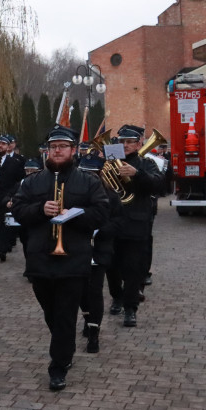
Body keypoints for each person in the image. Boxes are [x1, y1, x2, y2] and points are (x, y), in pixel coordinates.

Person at [11, 126, 109, 391]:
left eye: (63, 146)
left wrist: (74, 215)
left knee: (65, 314)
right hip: (40, 258)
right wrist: (40, 209)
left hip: (73, 259)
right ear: (47, 150)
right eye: (53, 146)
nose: (57, 150)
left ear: (73, 150)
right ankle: (64, 345)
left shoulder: (88, 182)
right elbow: (18, 210)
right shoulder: (32, 182)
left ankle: (58, 366)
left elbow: (101, 213)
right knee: (51, 312)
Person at [110, 124, 166, 328]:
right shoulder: (110, 162)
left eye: (129, 142)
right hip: (112, 223)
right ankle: (116, 296)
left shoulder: (147, 163)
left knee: (133, 269)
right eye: (122, 141)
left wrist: (137, 174)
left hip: (136, 223)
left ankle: (130, 309)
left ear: (138, 143)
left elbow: (159, 185)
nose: (125, 145)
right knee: (112, 268)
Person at [75, 152, 122, 354]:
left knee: (94, 291)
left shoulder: (111, 196)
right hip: (77, 249)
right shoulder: (74, 194)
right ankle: (87, 319)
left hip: (100, 248)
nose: (89, 178)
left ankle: (94, 331)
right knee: (80, 292)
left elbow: (119, 222)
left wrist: (101, 230)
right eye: (85, 174)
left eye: (93, 174)